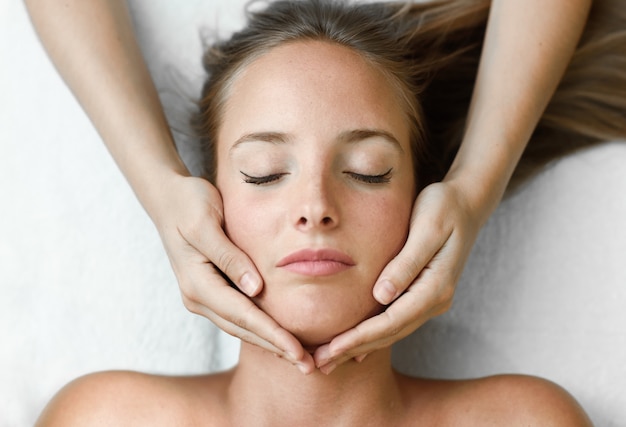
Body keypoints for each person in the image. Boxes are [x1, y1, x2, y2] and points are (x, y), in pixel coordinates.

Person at [36, 0, 625, 425]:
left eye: (368, 170)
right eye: (264, 172)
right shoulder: (105, 416)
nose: (315, 208)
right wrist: (157, 187)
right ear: (208, 204)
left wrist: (473, 191)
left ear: (423, 204)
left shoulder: (520, 421)